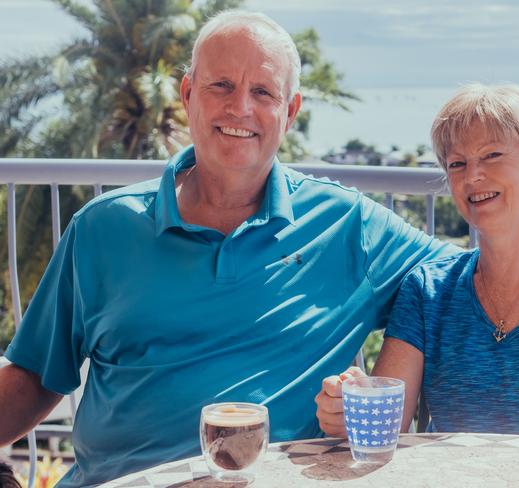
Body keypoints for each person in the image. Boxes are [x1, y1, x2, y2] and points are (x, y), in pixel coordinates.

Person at [0, 11, 459, 487]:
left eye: (263, 92)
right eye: (221, 85)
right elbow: (35, 375)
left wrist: (375, 393)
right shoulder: (102, 228)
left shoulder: (348, 224)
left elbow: (467, 282)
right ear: (187, 94)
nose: (240, 108)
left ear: (290, 110)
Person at [316, 84, 519, 441]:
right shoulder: (427, 289)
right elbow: (389, 420)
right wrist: (349, 408)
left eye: (492, 155)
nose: (472, 176)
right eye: (457, 163)